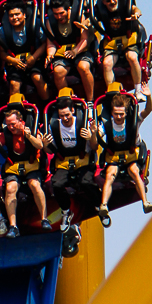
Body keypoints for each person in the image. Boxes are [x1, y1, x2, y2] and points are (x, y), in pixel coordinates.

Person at [97, 84, 152, 219]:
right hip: (114, 156)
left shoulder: (133, 120)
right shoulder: (107, 123)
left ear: (126, 113)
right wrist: (94, 132)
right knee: (110, 174)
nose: (119, 117)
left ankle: (145, 203)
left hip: (131, 156)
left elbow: (148, 110)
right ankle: (104, 205)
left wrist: (149, 97)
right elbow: (98, 134)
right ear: (112, 113)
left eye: (121, 114)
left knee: (134, 171)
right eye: (116, 114)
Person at [43, 94, 98, 232]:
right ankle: (66, 211)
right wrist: (45, 144)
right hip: (64, 161)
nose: (65, 118)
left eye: (67, 115)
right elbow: (49, 150)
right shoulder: (54, 126)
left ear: (72, 111)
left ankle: (99, 204)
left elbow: (94, 147)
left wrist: (92, 137)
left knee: (86, 182)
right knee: (56, 184)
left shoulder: (82, 123)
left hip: (82, 159)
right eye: (62, 116)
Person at [0, 106, 51, 237]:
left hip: (32, 165)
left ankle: (44, 218)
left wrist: (29, 136)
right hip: (14, 166)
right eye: (8, 124)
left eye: (13, 124)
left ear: (21, 121)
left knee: (35, 185)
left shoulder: (31, 130)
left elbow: (40, 145)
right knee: (10, 188)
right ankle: (13, 226)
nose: (11, 127)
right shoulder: (5, 133)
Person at [94, 0, 145, 101]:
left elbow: (135, 9)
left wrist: (137, 13)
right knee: (106, 64)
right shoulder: (100, 9)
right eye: (108, 0)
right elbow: (92, 19)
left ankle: (138, 90)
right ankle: (111, 90)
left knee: (132, 57)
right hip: (112, 41)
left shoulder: (125, 2)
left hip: (129, 38)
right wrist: (85, 23)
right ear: (103, 2)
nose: (112, 2)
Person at [45, 0, 96, 102]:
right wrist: (50, 55)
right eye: (56, 14)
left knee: (83, 66)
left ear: (68, 9)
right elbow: (51, 43)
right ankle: (66, 101)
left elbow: (85, 39)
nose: (59, 17)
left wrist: (75, 51)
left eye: (61, 13)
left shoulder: (78, 16)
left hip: (80, 50)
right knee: (58, 71)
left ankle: (90, 101)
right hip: (63, 53)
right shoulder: (51, 22)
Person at [0, 0, 49, 102]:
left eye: (17, 14)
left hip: (35, 59)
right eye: (11, 15)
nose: (14, 18)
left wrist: (34, 58)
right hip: (16, 62)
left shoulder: (35, 23)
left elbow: (45, 44)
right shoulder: (3, 30)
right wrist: (12, 60)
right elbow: (1, 52)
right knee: (14, 83)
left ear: (24, 15)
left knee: (37, 78)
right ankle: (15, 111)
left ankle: (47, 104)